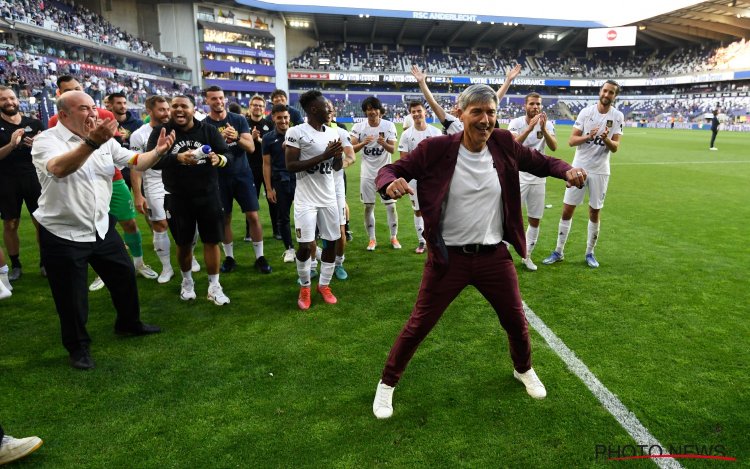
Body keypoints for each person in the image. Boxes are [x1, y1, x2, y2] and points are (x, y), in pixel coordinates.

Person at [370, 84, 588, 419]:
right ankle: (387, 384)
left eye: (491, 112)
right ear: (460, 113)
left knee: (516, 321)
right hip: (448, 260)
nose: (486, 120)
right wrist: (388, 182)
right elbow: (392, 170)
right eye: (478, 112)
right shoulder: (436, 148)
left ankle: (523, 369)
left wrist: (567, 171)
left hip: (493, 258)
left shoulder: (502, 143)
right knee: (419, 325)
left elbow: (541, 161)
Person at [31, 91, 174, 369]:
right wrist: (91, 143)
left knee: (123, 275)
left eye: (93, 108)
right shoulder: (46, 141)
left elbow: (135, 161)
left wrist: (157, 152)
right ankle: (78, 348)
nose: (92, 114)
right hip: (63, 232)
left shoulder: (105, 142)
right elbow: (59, 169)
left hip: (100, 226)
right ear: (64, 114)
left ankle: (128, 324)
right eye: (83, 109)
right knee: (71, 297)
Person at [48, 77, 159, 290]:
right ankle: (101, 271)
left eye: (78, 88)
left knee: (129, 222)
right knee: (92, 228)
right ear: (59, 94)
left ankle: (139, 263)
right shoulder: (54, 123)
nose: (75, 92)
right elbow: (58, 164)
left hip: (113, 178)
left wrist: (157, 152)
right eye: (69, 90)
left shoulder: (104, 114)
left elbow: (119, 152)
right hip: (79, 182)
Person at [148, 96, 232, 305]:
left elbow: (226, 154)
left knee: (212, 241)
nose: (178, 109)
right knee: (184, 244)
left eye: (183, 106)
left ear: (193, 109)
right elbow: (152, 161)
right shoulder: (161, 132)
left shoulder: (208, 130)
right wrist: (178, 158)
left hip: (208, 195)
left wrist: (217, 159)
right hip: (178, 197)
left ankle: (214, 285)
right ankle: (187, 282)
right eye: (174, 106)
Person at [542, 80, 624, 269]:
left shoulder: (618, 116)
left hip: (601, 170)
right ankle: (558, 251)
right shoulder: (586, 112)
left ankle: (590, 252)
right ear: (600, 91)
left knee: (594, 211)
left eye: (611, 92)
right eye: (605, 90)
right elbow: (571, 141)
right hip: (579, 167)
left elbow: (616, 147)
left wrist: (606, 140)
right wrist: (589, 136)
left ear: (614, 96)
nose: (606, 94)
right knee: (567, 209)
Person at [284, 90, 343, 310]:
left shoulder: (332, 133)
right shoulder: (296, 131)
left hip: (328, 198)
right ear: (312, 109)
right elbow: (290, 166)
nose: (330, 110)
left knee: (331, 243)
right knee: (304, 246)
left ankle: (324, 285)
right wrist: (323, 156)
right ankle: (305, 286)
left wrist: (336, 157)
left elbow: (336, 167)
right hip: (306, 200)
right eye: (326, 107)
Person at [203, 86, 271, 275]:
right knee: (225, 218)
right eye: (214, 99)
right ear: (207, 101)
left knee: (253, 216)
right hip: (218, 178)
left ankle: (260, 257)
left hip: (242, 174)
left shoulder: (238, 119)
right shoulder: (205, 125)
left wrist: (237, 138)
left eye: (221, 98)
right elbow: (204, 153)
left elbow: (250, 147)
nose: (218, 101)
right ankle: (230, 257)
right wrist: (220, 141)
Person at [130, 95, 180, 283]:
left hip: (179, 181)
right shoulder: (139, 135)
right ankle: (167, 268)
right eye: (161, 110)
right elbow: (135, 166)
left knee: (188, 222)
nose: (167, 113)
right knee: (160, 225)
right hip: (154, 184)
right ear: (149, 111)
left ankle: (190, 258)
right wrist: (138, 194)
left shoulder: (179, 128)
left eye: (168, 109)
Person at [507, 92, 558, 271]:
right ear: (525, 106)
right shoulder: (516, 123)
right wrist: (529, 128)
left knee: (535, 218)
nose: (535, 107)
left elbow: (554, 147)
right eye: (532, 104)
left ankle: (526, 255)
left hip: (538, 176)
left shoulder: (548, 124)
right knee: (510, 216)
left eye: (538, 104)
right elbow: (512, 147)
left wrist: (543, 129)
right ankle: (502, 255)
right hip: (518, 175)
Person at [0, 85, 45, 281]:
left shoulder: (34, 123)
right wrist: (11, 144)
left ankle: (45, 262)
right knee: (10, 223)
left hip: (33, 177)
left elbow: (50, 151)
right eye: (3, 99)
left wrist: (39, 145)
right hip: (6, 180)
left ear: (18, 99)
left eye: (11, 98)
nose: (9, 102)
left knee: (42, 222)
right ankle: (16, 265)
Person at [410, 63, 521, 135]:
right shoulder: (453, 123)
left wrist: (508, 81)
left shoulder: (479, 120)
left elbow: (494, 99)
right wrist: (422, 83)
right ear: (460, 111)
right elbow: (434, 104)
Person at [349, 97, 400, 251]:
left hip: (386, 173)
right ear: (365, 111)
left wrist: (383, 143)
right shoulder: (359, 127)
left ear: (380, 110)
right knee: (369, 206)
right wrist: (363, 143)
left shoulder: (389, 125)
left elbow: (392, 150)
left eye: (375, 108)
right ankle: (372, 239)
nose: (372, 112)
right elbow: (351, 148)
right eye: (369, 109)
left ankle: (393, 237)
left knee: (391, 206)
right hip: (367, 173)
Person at [396, 99, 442, 254]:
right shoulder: (406, 135)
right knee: (418, 210)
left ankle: (435, 240)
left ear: (425, 112)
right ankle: (422, 241)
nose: (416, 114)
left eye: (419, 111)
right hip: (415, 180)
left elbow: (441, 157)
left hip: (434, 179)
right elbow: (404, 159)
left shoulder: (435, 132)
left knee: (437, 209)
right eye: (413, 112)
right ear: (410, 114)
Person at [325, 98, 356, 280]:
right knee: (313, 232)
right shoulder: (307, 132)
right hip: (314, 188)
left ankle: (339, 263)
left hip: (335, 187)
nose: (327, 113)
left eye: (330, 110)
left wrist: (342, 163)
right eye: (324, 110)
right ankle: (313, 265)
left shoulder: (341, 132)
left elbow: (351, 156)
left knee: (340, 230)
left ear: (333, 113)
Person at [262, 104, 296, 263]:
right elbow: (266, 164)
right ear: (273, 118)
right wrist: (269, 188)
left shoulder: (297, 133)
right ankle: (289, 249)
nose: (283, 121)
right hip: (280, 181)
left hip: (300, 179)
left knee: (307, 213)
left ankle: (311, 247)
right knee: (283, 217)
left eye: (286, 117)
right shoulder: (268, 138)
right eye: (279, 117)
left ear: (289, 117)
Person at [246, 94, 279, 241]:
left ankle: (276, 230)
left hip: (268, 168)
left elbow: (274, 145)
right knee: (251, 201)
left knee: (272, 199)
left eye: (260, 105)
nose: (257, 107)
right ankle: (249, 232)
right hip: (249, 168)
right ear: (250, 107)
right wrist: (250, 139)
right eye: (255, 105)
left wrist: (258, 139)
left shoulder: (270, 125)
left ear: (264, 108)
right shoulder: (243, 123)